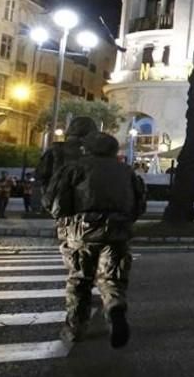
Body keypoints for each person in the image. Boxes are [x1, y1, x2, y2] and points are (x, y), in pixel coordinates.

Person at [48, 133, 147, 347]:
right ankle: (114, 308)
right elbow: (139, 204)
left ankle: (75, 328)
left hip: (81, 232)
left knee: (80, 279)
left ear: (88, 148)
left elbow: (54, 203)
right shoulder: (126, 171)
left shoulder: (75, 168)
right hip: (118, 232)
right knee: (112, 278)